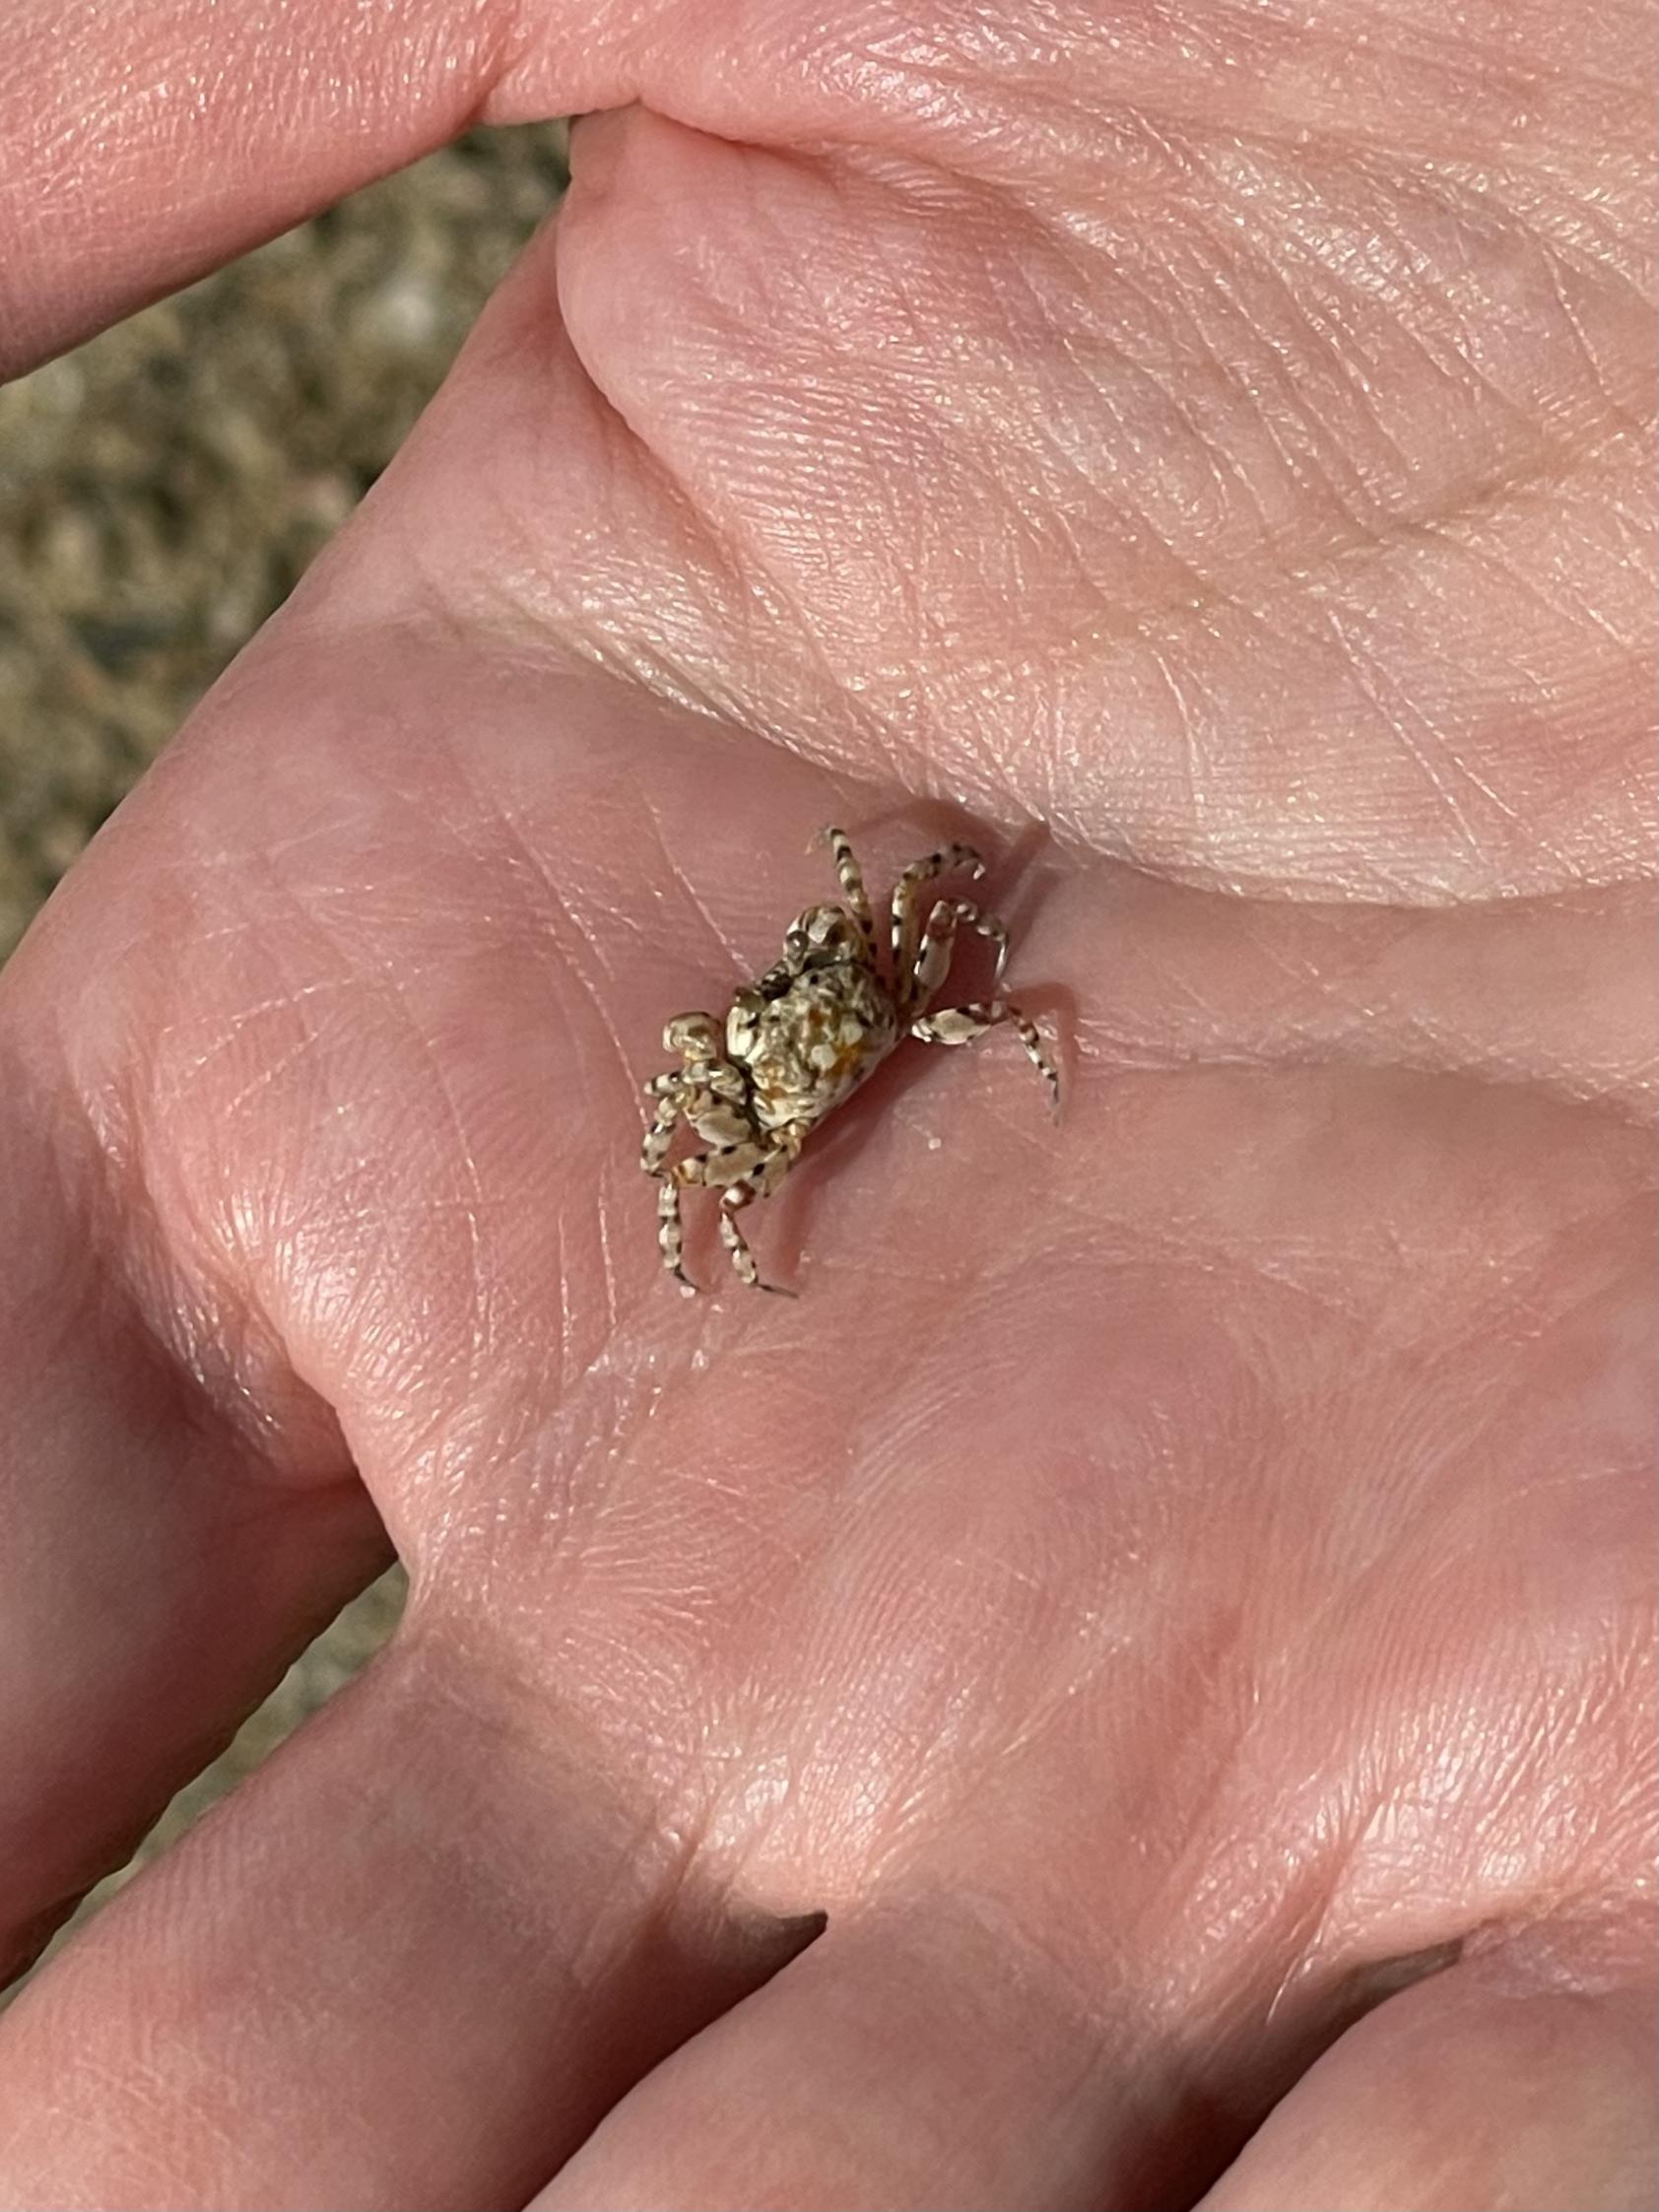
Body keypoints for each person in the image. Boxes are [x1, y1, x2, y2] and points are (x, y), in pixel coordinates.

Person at [0, 3, 1652, 2205]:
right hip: (819, 1041)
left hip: (859, 1013)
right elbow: (745, 1054)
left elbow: (926, 949)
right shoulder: (806, 1008)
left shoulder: (902, 951)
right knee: (739, 1088)